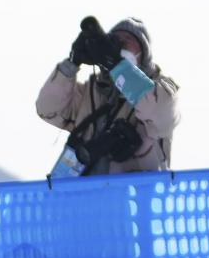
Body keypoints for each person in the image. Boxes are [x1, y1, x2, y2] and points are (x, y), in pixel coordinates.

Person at [37, 15, 180, 176]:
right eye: (114, 40)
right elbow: (48, 109)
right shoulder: (91, 92)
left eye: (128, 40)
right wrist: (72, 63)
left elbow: (159, 111)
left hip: (130, 198)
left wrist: (118, 65)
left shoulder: (162, 90)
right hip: (78, 198)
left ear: (143, 54)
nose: (120, 43)